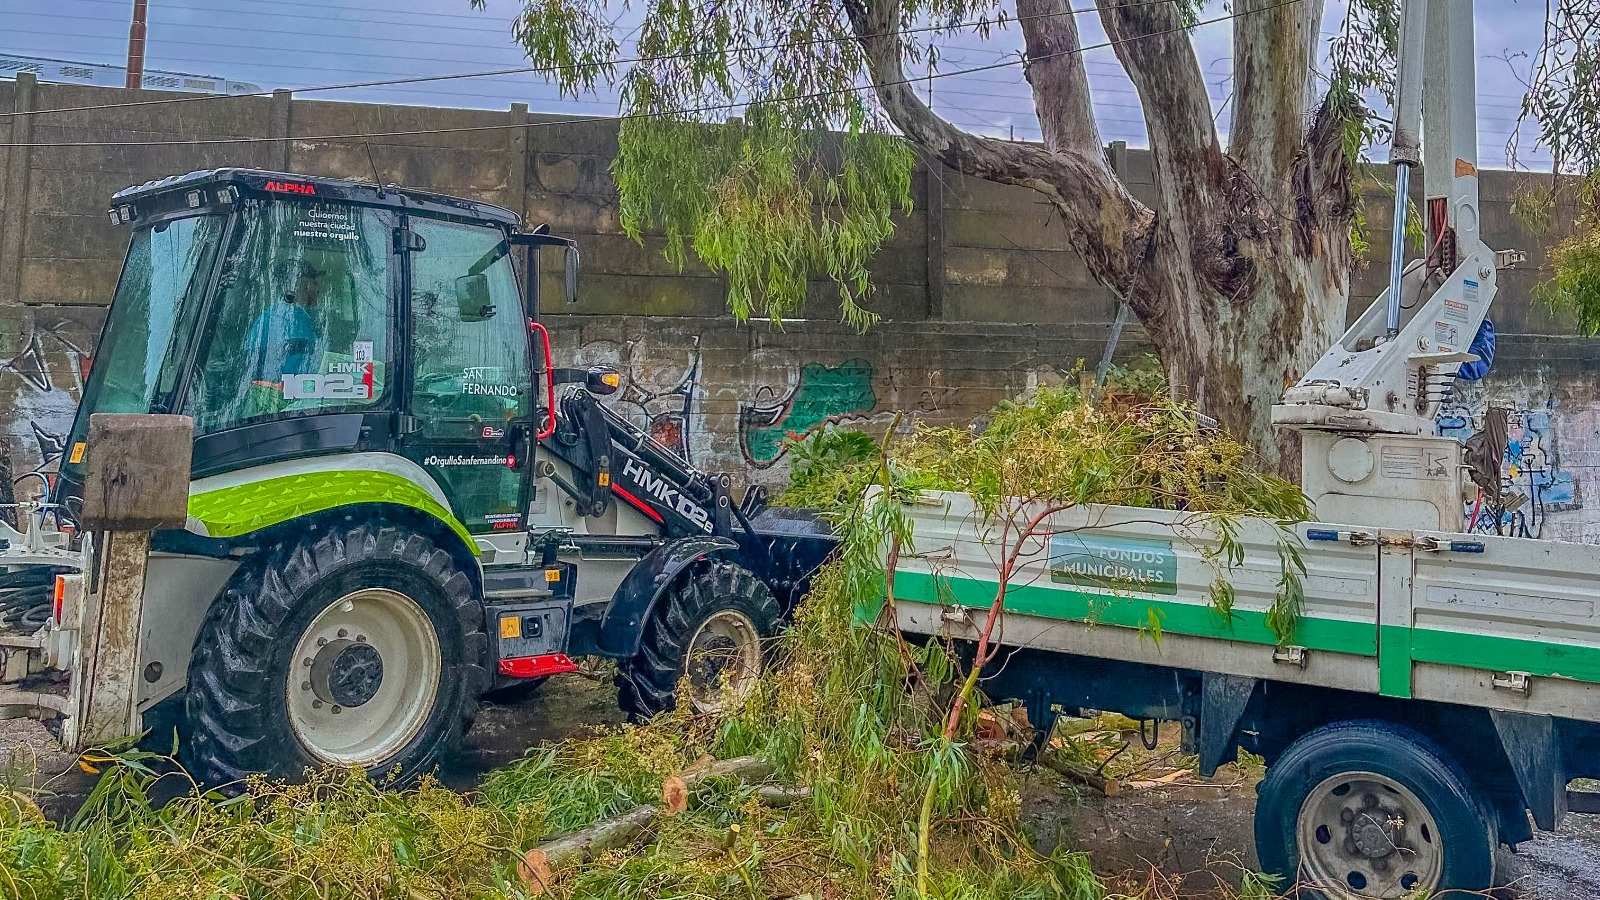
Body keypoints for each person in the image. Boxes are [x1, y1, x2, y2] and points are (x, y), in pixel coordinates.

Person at [245, 257, 324, 391]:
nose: (318, 289)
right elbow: (269, 376)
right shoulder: (283, 320)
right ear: (303, 284)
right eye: (315, 283)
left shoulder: (289, 316)